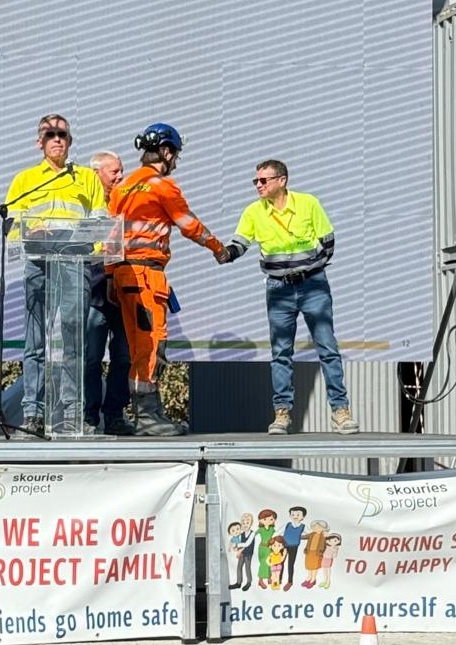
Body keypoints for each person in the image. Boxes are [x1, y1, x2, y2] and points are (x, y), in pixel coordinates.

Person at [107, 122, 228, 436]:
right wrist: (218, 248)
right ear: (165, 151)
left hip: (123, 274)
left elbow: (111, 235)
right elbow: (188, 225)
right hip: (146, 275)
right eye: (174, 155)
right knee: (151, 344)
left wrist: (110, 276)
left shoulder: (122, 187)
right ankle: (147, 417)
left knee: (136, 346)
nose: (175, 162)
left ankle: (145, 414)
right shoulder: (162, 186)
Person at [223, 159, 359, 435]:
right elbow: (240, 244)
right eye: (256, 181)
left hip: (313, 286)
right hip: (278, 289)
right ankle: (282, 413)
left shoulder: (308, 203)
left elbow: (328, 241)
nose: (258, 185)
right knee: (281, 352)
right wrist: (224, 253)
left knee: (327, 347)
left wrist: (309, 268)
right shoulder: (253, 212)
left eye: (264, 180)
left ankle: (340, 412)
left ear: (281, 181)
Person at [6, 114, 106, 433]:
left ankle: (72, 413)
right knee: (36, 343)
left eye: (62, 134)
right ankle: (33, 413)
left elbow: (101, 220)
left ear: (70, 140)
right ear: (40, 142)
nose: (57, 139)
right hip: (38, 264)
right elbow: (11, 226)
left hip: (74, 265)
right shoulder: (24, 179)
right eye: (50, 134)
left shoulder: (88, 178)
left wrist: (89, 242)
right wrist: (30, 230)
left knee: (73, 341)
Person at [84, 151, 134, 435]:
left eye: (121, 171)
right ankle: (89, 417)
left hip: (125, 289)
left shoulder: (126, 202)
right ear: (96, 173)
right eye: (113, 172)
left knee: (124, 356)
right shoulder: (86, 202)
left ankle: (114, 414)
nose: (119, 176)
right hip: (94, 288)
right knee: (91, 357)